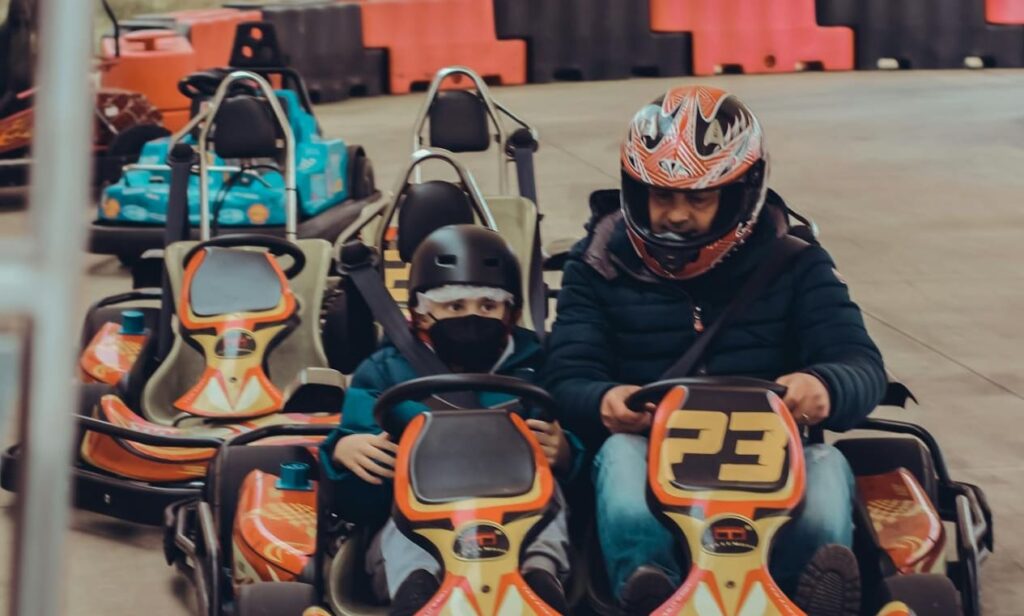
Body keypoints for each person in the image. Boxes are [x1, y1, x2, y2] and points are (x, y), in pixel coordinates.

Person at [543, 86, 887, 615]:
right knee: (617, 459)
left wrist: (823, 385)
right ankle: (650, 589)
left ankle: (803, 597)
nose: (676, 216)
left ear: (739, 194)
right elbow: (567, 373)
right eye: (661, 196)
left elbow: (860, 364)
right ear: (635, 192)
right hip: (653, 456)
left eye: (697, 198)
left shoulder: (795, 262)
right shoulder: (596, 267)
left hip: (772, 462)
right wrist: (605, 398)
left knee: (828, 469)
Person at [320, 224, 582, 615]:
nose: (472, 317)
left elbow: (576, 452)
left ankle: (538, 580)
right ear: (422, 314)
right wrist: (343, 452)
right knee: (404, 521)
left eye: (487, 306)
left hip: (519, 524)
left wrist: (566, 453)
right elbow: (356, 497)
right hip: (418, 528)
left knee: (551, 503)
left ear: (509, 313)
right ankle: (417, 591)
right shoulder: (384, 372)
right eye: (454, 307)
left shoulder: (537, 367)